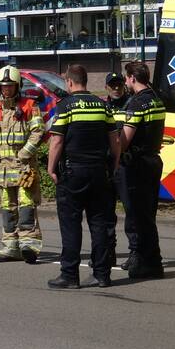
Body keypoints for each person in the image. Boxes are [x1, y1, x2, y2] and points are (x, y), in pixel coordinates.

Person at [46, 64, 120, 289]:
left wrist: (50, 168)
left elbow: (57, 141)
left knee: (71, 225)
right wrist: (113, 166)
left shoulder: (65, 107)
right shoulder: (103, 106)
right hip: (99, 172)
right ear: (86, 81)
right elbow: (115, 140)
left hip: (72, 173)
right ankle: (102, 274)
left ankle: (69, 275)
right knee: (100, 224)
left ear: (69, 82)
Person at [0, 66, 46, 263]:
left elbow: (38, 131)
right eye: (3, 86)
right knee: (7, 208)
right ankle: (10, 247)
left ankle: (29, 247)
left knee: (26, 206)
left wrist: (26, 152)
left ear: (18, 86)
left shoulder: (29, 106)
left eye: (10, 86)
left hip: (23, 167)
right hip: (3, 169)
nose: (6, 89)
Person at [118, 61, 167, 280]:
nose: (125, 82)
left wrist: (111, 151)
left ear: (132, 78)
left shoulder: (137, 104)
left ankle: (150, 263)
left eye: (126, 78)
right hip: (152, 161)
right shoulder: (156, 100)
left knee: (138, 215)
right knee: (147, 214)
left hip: (136, 164)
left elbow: (124, 140)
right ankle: (143, 258)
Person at [103, 71, 131, 267]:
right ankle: (109, 252)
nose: (116, 88)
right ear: (106, 87)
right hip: (106, 166)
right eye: (112, 85)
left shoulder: (131, 105)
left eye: (119, 84)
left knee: (131, 211)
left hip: (125, 166)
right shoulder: (102, 107)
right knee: (106, 212)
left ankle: (134, 253)